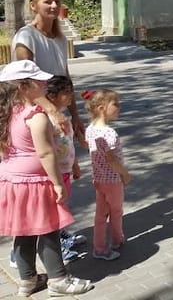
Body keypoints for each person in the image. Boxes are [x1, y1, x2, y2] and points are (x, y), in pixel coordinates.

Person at [0, 60, 94, 297]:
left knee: (23, 233)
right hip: (36, 183)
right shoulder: (36, 116)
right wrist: (57, 183)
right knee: (50, 230)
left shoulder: (7, 112)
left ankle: (28, 280)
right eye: (39, 80)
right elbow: (45, 153)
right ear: (24, 85)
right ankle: (59, 280)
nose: (44, 83)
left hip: (12, 182)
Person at [12, 0, 85, 145]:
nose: (54, 6)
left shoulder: (60, 39)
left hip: (56, 117)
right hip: (34, 117)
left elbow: (66, 79)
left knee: (65, 166)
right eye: (48, 2)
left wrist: (75, 115)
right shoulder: (26, 36)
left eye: (57, 2)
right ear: (33, 6)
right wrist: (51, 111)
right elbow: (25, 80)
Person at [45, 76, 86, 262]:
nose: (71, 97)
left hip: (66, 171)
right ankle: (57, 249)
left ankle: (61, 236)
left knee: (62, 206)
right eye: (66, 93)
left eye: (72, 92)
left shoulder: (64, 118)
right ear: (52, 96)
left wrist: (75, 164)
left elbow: (69, 144)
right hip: (54, 175)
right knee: (54, 211)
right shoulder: (47, 121)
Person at [84, 89, 129, 261]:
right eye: (115, 104)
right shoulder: (109, 133)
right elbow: (112, 159)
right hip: (112, 179)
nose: (119, 107)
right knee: (116, 211)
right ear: (102, 108)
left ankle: (99, 246)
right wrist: (125, 174)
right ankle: (117, 239)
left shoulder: (91, 129)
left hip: (99, 179)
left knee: (101, 214)